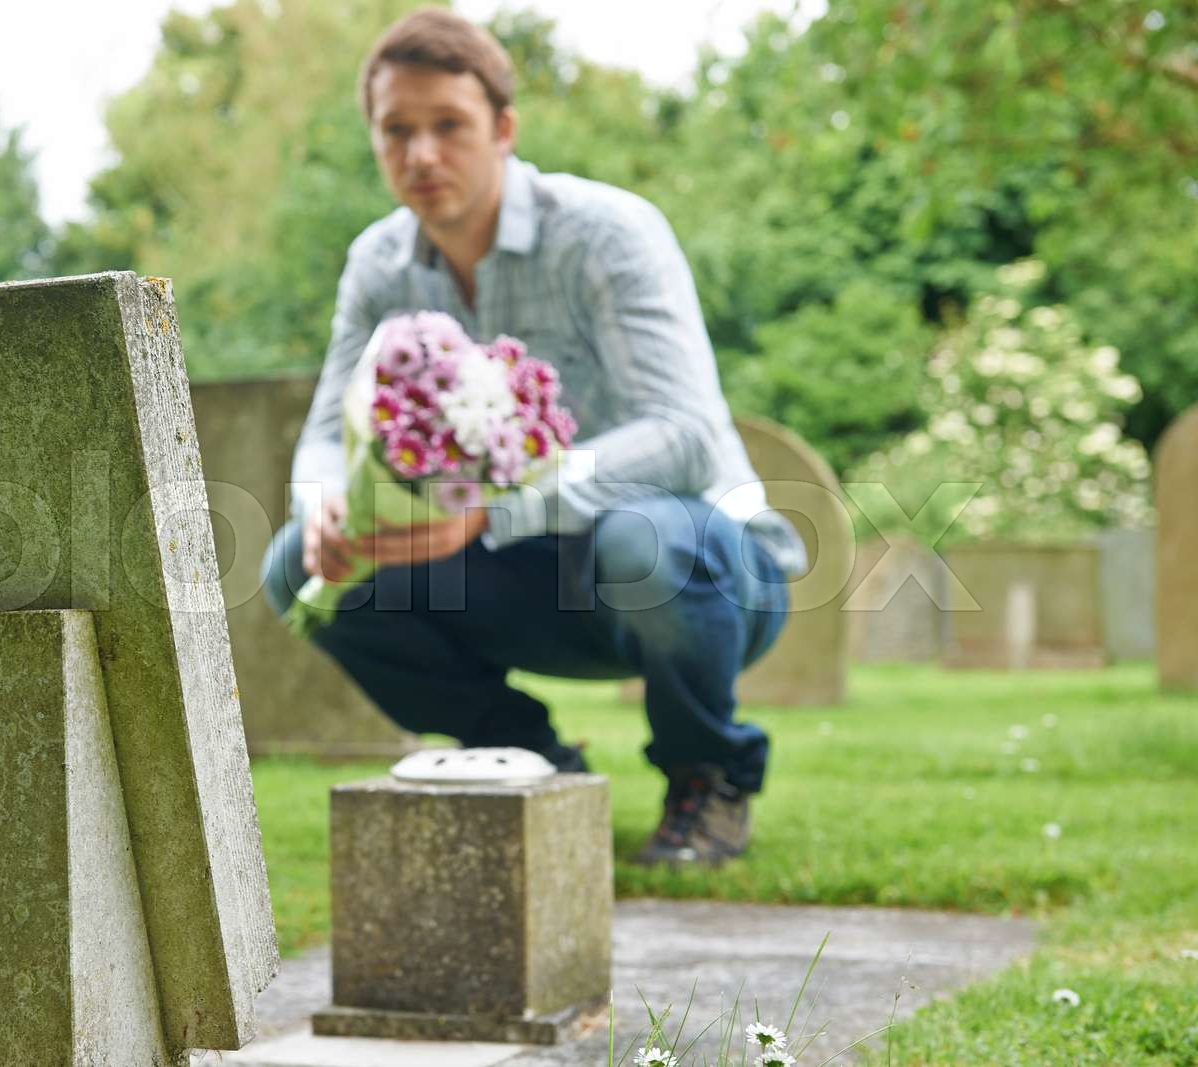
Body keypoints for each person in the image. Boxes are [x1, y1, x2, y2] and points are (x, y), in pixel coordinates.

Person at [259, 7, 807, 868]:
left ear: (505, 129)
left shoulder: (607, 233)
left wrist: (492, 512)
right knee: (297, 564)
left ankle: (709, 775)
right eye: (396, 130)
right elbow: (331, 425)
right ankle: (530, 760)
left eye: (449, 126)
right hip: (520, 586)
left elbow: (687, 437)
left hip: (700, 572)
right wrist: (327, 507)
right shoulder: (378, 262)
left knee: (643, 536)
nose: (422, 155)